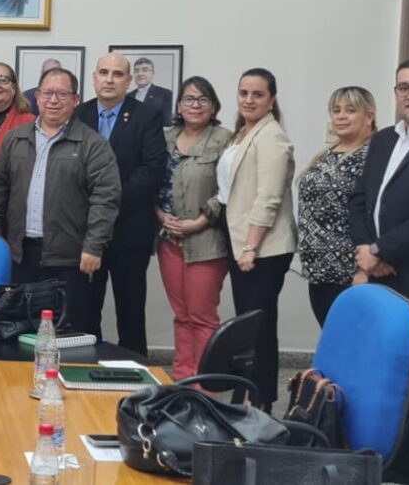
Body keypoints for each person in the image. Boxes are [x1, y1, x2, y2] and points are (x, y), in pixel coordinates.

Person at [349, 58, 409, 485]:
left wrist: (382, 248)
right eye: (404, 87)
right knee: (396, 383)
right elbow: (360, 201)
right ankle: (395, 467)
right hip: (384, 280)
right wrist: (367, 251)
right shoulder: (383, 140)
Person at [0, 67, 120, 332]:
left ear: (75, 100)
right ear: (37, 97)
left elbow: (106, 199)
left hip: (70, 259)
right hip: (21, 256)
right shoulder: (16, 139)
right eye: (47, 93)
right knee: (20, 331)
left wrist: (93, 247)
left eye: (61, 94)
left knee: (69, 333)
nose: (53, 100)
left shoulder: (92, 144)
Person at [74, 53, 167, 356]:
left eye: (117, 74)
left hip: (130, 231)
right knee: (85, 311)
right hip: (86, 233)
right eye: (104, 72)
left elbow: (151, 170)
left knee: (130, 313)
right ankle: (86, 372)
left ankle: (136, 383)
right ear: (94, 78)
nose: (110, 79)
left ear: (128, 81)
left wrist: (107, 202)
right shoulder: (78, 114)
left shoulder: (147, 115)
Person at [218, 67, 295, 411]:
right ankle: (251, 397)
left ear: (272, 100)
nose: (249, 100)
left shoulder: (272, 136)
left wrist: (250, 246)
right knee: (249, 325)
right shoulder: (244, 133)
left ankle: (262, 402)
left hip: (262, 248)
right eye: (244, 93)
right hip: (241, 243)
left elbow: (269, 197)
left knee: (260, 328)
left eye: (258, 94)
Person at [155, 76, 232, 380]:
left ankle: (206, 384)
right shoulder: (165, 137)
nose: (195, 105)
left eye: (203, 99)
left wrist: (200, 221)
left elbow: (228, 190)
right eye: (189, 99)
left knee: (202, 316)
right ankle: (183, 379)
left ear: (213, 106)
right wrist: (161, 216)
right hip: (168, 238)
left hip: (206, 240)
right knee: (182, 315)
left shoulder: (225, 139)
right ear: (179, 105)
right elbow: (152, 183)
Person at [297, 86, 375, 325]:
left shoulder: (372, 155)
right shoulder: (328, 153)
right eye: (336, 110)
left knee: (352, 344)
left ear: (369, 116)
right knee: (331, 340)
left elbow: (374, 214)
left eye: (350, 110)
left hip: (350, 272)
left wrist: (364, 271)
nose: (340, 116)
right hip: (318, 271)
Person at [129, 57, 173, 126]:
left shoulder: (166, 94)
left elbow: (167, 123)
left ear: (152, 73)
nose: (140, 74)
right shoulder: (128, 96)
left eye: (145, 70)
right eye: (136, 71)